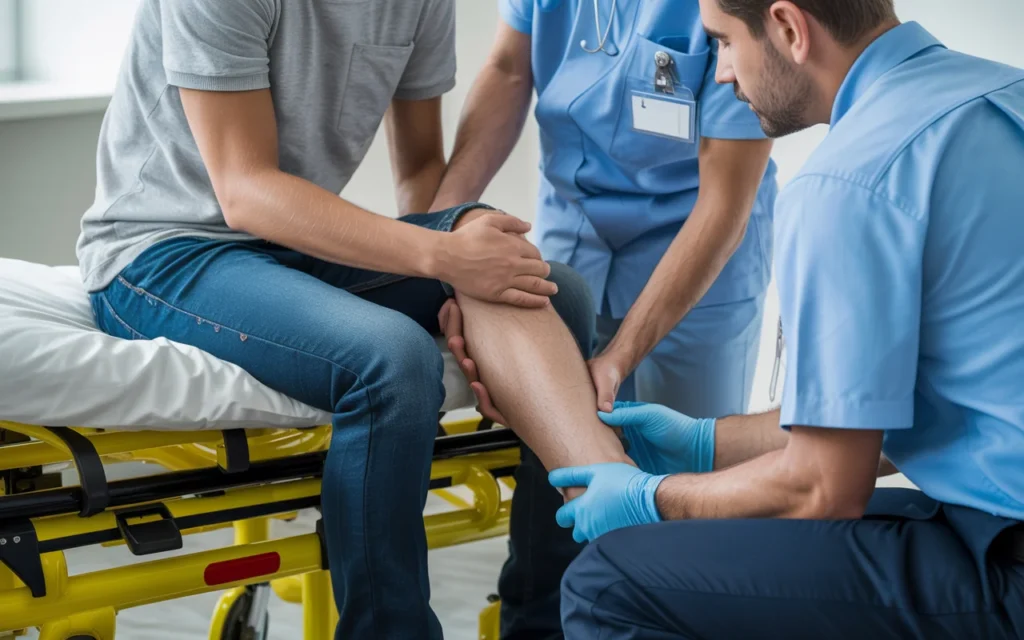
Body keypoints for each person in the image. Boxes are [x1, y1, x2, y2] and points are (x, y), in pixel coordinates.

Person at [75, 1, 638, 637]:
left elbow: (424, 174)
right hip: (162, 255)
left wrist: (459, 278)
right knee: (391, 358)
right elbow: (245, 189)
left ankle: (551, 619)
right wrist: (443, 255)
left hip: (289, 246)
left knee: (550, 290)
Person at [541, 0, 1024, 636]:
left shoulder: (849, 181)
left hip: (1003, 565)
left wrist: (651, 500)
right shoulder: (1000, 94)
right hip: (997, 512)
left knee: (608, 582)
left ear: (790, 28)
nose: (717, 74)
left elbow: (824, 490)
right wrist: (705, 441)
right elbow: (886, 424)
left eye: (723, 43)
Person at [430, 1, 779, 634]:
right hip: (574, 233)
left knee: (682, 496)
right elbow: (509, 69)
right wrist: (437, 235)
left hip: (696, 252)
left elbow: (724, 201)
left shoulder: (720, 12)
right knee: (558, 486)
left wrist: (621, 354)